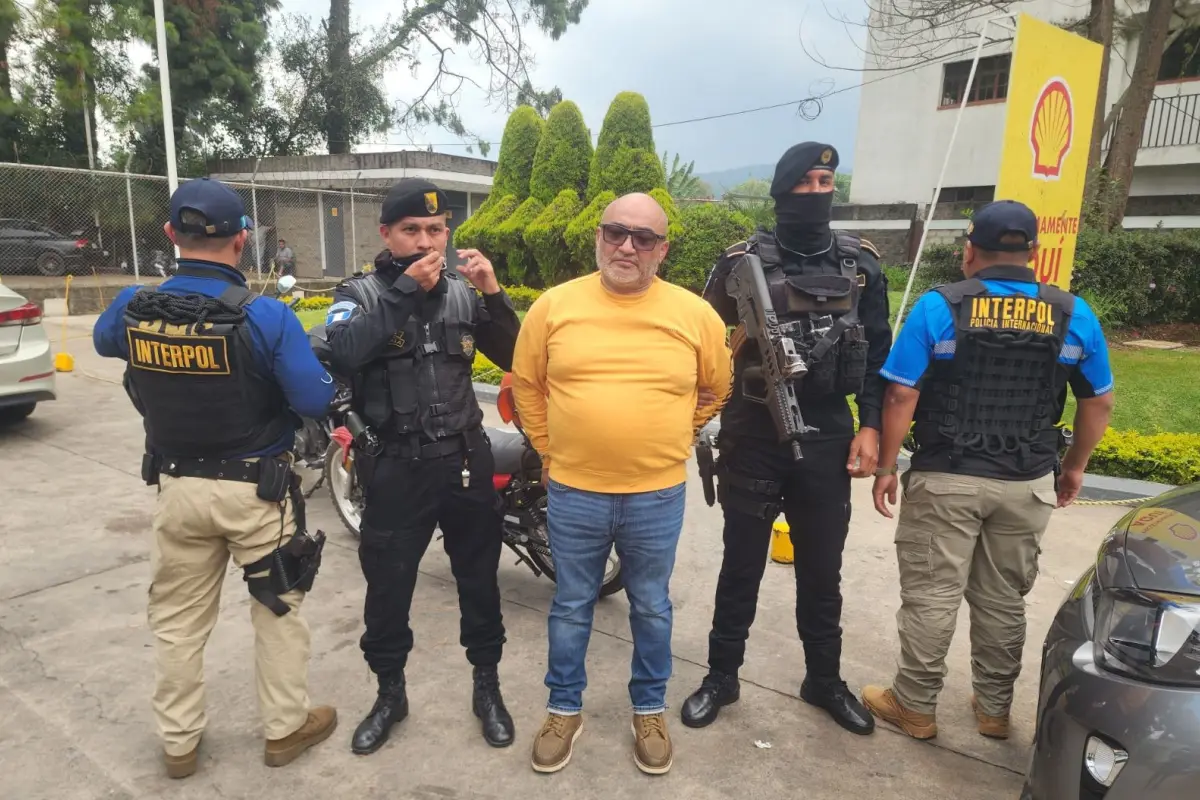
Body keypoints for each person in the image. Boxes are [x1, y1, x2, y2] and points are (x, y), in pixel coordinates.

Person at [93, 178, 339, 777]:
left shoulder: (133, 306)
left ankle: (179, 744)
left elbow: (104, 343)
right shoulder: (267, 317)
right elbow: (313, 400)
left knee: (177, 622)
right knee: (277, 610)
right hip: (257, 492)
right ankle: (284, 730)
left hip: (176, 488)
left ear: (173, 236)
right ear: (244, 240)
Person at [861, 199, 1115, 740]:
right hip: (1026, 481)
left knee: (932, 594)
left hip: (947, 474)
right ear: (1034, 255)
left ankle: (916, 706)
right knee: (1003, 598)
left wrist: (887, 464)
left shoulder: (939, 307)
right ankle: (995, 710)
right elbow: (1099, 402)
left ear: (969, 251)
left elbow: (903, 393)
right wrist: (1073, 468)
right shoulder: (1074, 314)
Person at [511, 192, 732, 776]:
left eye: (643, 237)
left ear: (663, 249)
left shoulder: (695, 315)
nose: (627, 245)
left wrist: (675, 434)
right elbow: (527, 383)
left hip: (656, 494)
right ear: (597, 238)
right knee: (571, 604)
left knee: (652, 607)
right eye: (615, 232)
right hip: (573, 490)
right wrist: (549, 447)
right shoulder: (554, 307)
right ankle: (564, 708)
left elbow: (717, 387)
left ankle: (649, 709)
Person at [681, 142, 892, 736]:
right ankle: (722, 675)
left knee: (823, 570)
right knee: (741, 563)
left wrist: (871, 427)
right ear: (781, 191)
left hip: (827, 433)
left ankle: (823, 679)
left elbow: (879, 356)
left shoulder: (862, 266)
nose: (819, 191)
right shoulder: (737, 264)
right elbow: (700, 337)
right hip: (752, 430)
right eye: (806, 182)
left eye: (827, 180)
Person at [323, 177, 522, 755]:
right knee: (388, 590)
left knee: (480, 584)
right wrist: (403, 292)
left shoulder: (463, 293)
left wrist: (493, 293)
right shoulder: (359, 294)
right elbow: (342, 352)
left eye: (436, 230)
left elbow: (514, 356)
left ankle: (487, 688)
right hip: (395, 466)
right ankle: (390, 693)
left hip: (464, 460)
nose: (426, 241)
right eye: (412, 230)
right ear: (386, 233)